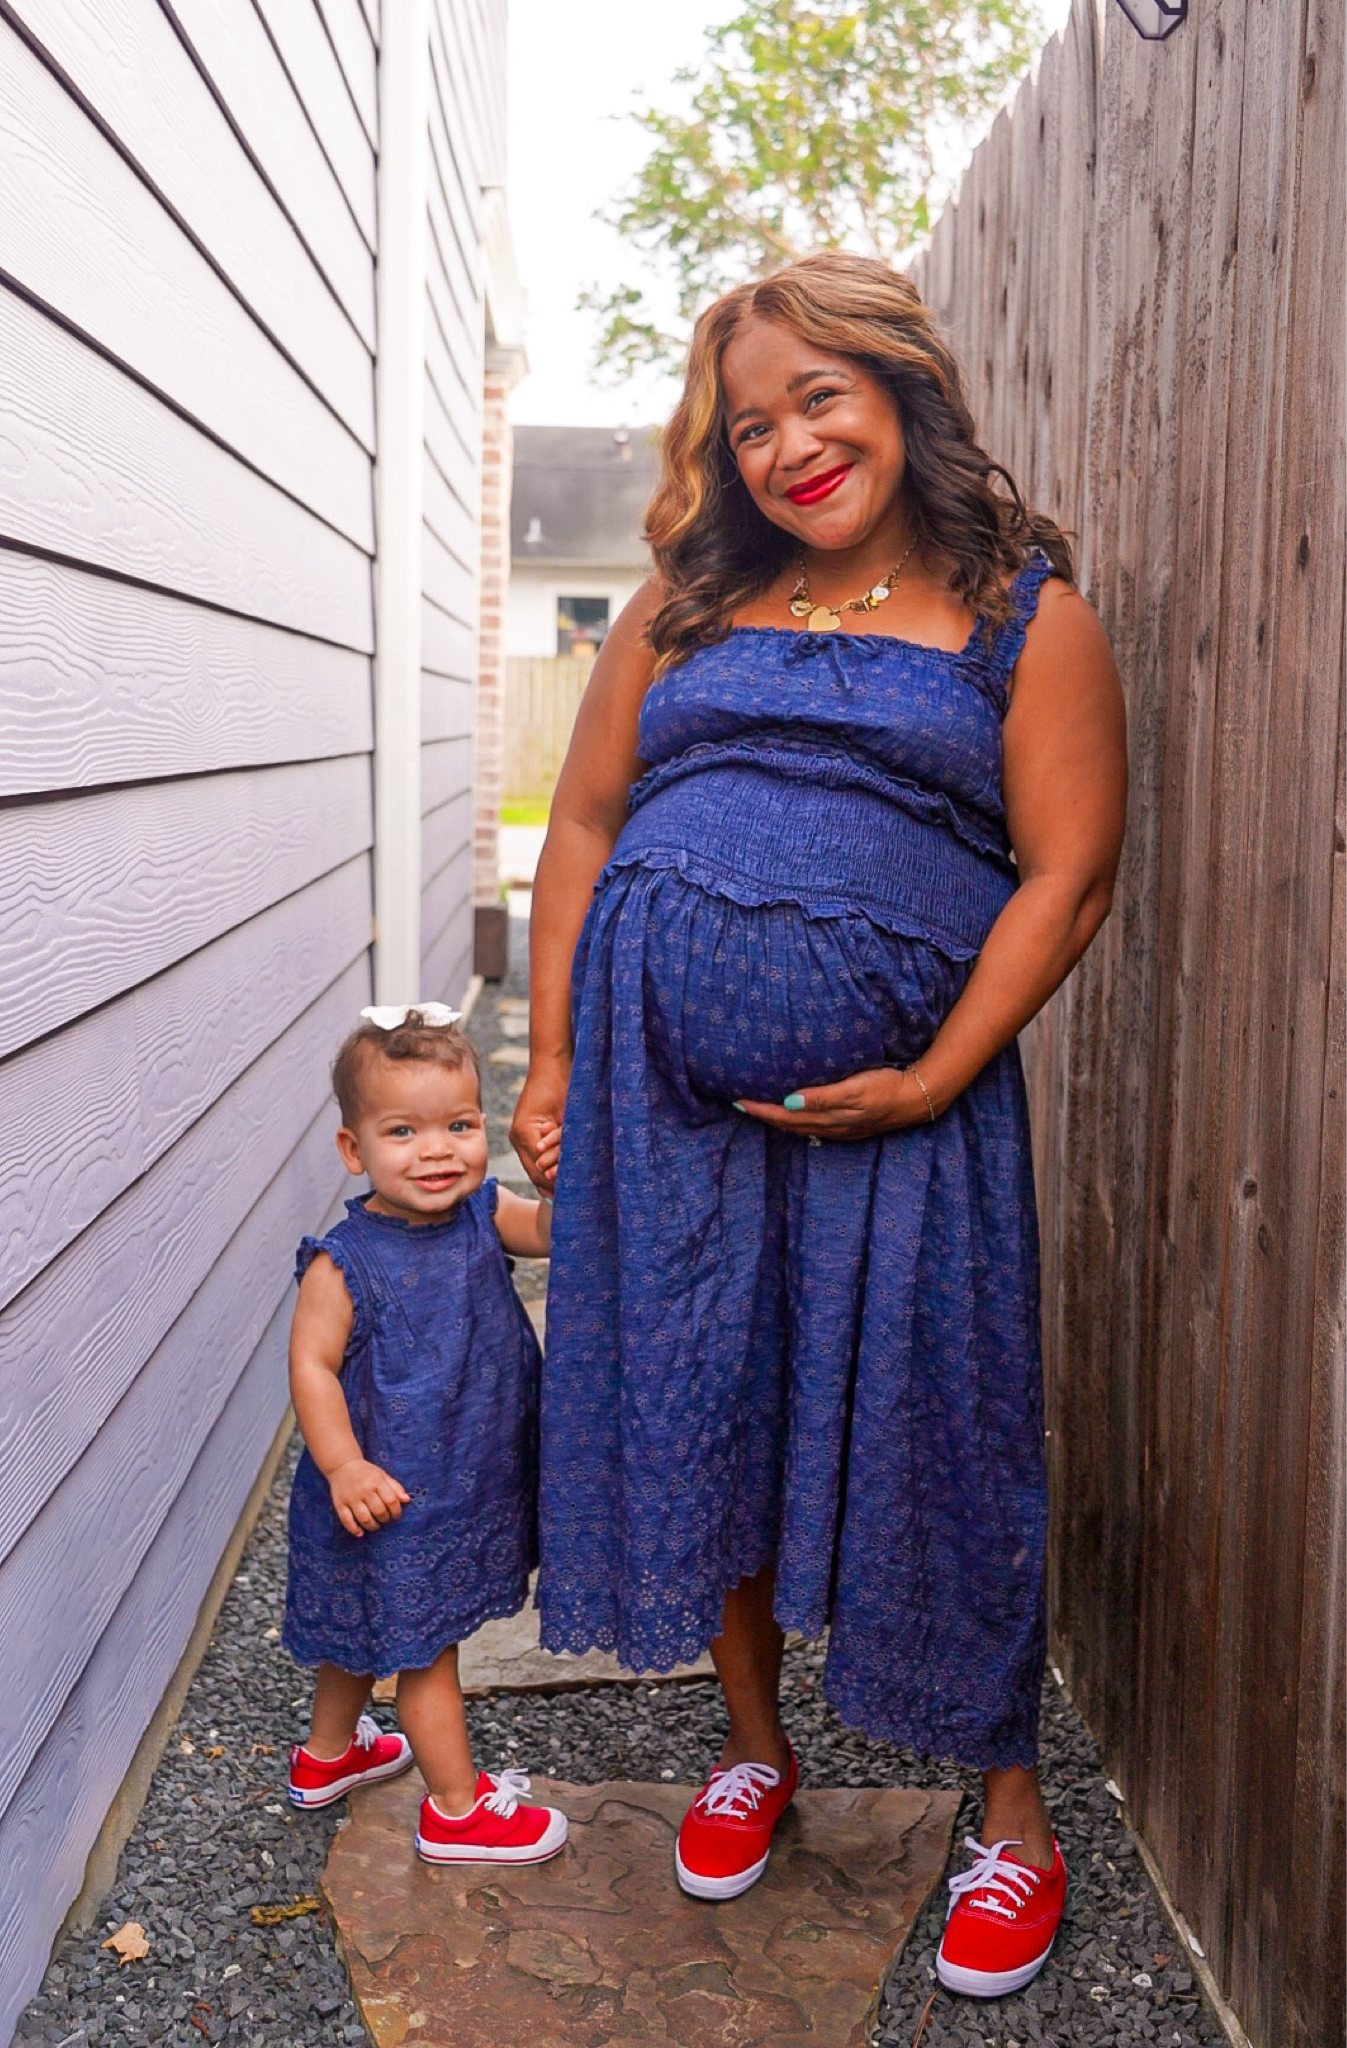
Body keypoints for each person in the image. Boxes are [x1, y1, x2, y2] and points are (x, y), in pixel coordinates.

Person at [511, 253, 1127, 1996]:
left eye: (816, 398)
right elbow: (578, 832)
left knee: (938, 1430)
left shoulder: (1015, 611)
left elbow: (1067, 875)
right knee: (699, 1400)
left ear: (899, 391)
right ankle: (752, 1744)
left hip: (903, 1120)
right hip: (659, 1107)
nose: (784, 445)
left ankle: (1008, 1817)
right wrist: (551, 1066)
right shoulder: (680, 607)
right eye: (747, 422)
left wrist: (932, 1073)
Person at [282, 1003, 568, 1868]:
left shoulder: (482, 1211)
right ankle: (455, 1809)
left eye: (458, 1125)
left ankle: (328, 1758)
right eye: (402, 1131)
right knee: (423, 1649)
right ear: (353, 1149)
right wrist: (343, 1465)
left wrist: (559, 1187)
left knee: (362, 1629)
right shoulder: (345, 1260)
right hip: (388, 1491)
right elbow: (311, 1368)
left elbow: (553, 1237)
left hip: (460, 1474)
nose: (437, 1150)